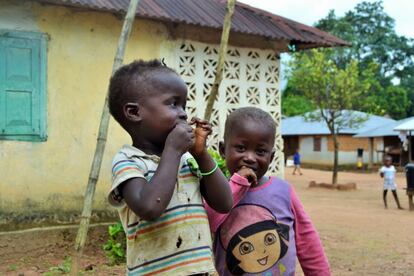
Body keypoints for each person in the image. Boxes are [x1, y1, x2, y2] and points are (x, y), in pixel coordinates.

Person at [107, 60, 233, 275]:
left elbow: (224, 203)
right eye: (173, 104)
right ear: (134, 112)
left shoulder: (186, 161)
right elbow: (149, 207)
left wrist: (201, 155)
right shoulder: (128, 161)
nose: (184, 113)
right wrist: (173, 151)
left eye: (184, 105)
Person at [205, 107, 330, 276]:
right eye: (241, 148)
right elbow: (208, 225)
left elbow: (307, 240)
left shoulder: (283, 191)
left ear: (270, 158)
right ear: (222, 150)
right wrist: (237, 185)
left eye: (260, 151)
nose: (250, 157)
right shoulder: (216, 194)